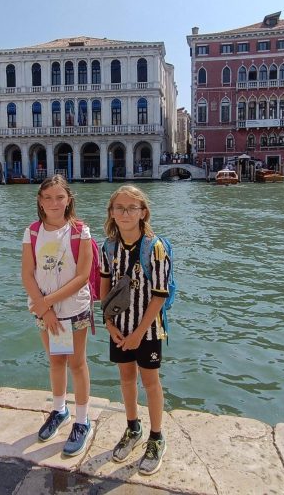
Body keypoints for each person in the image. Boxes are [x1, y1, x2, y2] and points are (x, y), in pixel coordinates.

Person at [21, 175, 95, 456]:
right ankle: (59, 410)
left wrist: (46, 304)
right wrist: (45, 308)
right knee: (55, 361)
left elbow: (82, 277)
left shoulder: (79, 231)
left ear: (69, 200)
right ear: (40, 201)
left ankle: (82, 420)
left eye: (60, 197)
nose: (54, 203)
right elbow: (27, 273)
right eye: (48, 197)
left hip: (74, 309)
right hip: (45, 310)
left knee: (76, 363)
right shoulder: (32, 233)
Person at [100, 185, 172, 475]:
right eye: (120, 208)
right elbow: (104, 285)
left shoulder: (155, 247)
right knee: (126, 379)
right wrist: (107, 322)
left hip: (148, 330)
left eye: (132, 208)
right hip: (119, 328)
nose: (125, 213)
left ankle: (157, 437)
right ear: (112, 213)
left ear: (143, 212)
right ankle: (133, 428)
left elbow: (160, 294)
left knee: (151, 382)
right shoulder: (108, 247)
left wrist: (139, 332)